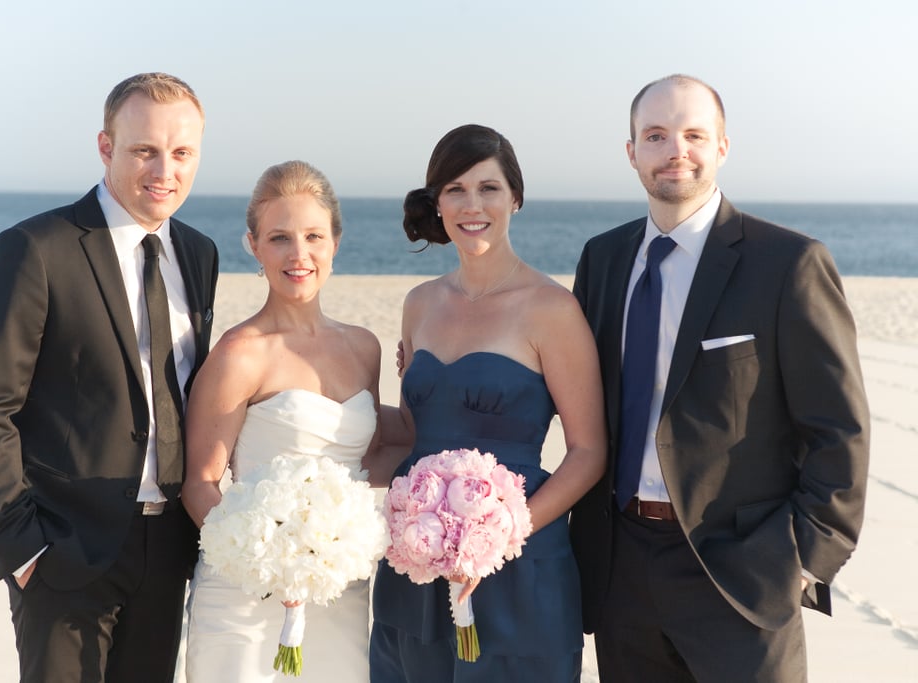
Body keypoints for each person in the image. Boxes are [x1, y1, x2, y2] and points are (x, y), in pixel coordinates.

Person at [569, 74, 870, 682]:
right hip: (621, 571)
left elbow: (839, 429)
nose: (675, 149)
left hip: (743, 577)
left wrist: (805, 560)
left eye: (693, 134)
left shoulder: (788, 263)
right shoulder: (601, 260)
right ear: (631, 153)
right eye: (655, 136)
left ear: (723, 147)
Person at [0, 72, 219, 682]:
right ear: (106, 147)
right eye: (144, 150)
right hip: (62, 549)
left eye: (182, 153)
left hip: (169, 548)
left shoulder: (198, 254)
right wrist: (20, 547)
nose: (165, 170)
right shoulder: (33, 249)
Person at [370, 124, 607, 682]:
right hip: (418, 560)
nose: (472, 205)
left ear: (515, 199)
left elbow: (588, 451)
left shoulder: (552, 309)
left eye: (489, 188)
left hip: (517, 561)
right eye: (455, 189)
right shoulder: (420, 303)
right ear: (438, 202)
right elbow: (411, 429)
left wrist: (505, 532)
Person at [181, 160, 387, 682]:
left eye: (314, 236)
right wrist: (273, 564)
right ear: (253, 246)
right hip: (247, 594)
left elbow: (372, 453)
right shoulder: (240, 352)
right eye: (279, 238)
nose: (299, 255)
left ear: (336, 241)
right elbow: (200, 483)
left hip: (339, 590)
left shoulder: (364, 348)